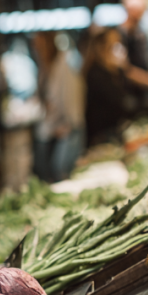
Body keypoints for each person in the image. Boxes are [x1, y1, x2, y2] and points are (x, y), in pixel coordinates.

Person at [32, 31, 85, 182]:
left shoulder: (63, 66)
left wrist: (69, 124)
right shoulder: (44, 68)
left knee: (61, 171)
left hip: (66, 128)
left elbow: (70, 98)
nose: (36, 49)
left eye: (39, 45)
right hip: (49, 128)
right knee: (46, 172)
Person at [84, 27, 133, 145]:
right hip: (102, 136)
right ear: (103, 46)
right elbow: (117, 101)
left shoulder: (115, 70)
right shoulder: (96, 73)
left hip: (116, 130)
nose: (119, 46)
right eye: (115, 44)